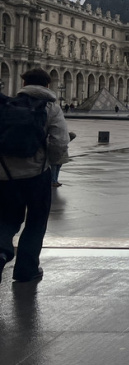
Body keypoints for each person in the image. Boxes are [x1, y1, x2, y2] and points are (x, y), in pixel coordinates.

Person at [0, 68, 70, 284]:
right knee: (36, 221)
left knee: (6, 219)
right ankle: (26, 270)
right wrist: (53, 161)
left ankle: (1, 252)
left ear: (23, 82)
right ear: (47, 85)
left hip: (5, 175)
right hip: (36, 174)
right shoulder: (51, 107)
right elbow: (59, 141)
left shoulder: (9, 104)